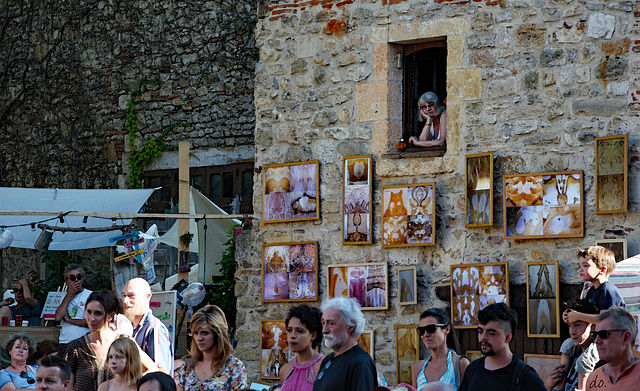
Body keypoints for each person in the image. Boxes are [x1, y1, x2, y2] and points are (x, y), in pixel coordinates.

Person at [63, 290, 157, 391]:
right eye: (89, 312)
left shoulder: (125, 343)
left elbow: (152, 369)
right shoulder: (76, 348)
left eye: (98, 313)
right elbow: (68, 385)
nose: (91, 318)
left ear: (111, 316)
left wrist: (131, 386)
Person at [458, 303, 545, 391]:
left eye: (491, 333)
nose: (483, 337)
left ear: (507, 337)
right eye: (480, 331)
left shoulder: (525, 375)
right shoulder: (472, 369)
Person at [174, 305, 248, 391]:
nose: (199, 338)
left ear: (217, 334)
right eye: (196, 333)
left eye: (205, 333)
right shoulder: (188, 366)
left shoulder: (234, 367)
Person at [312, 297, 377, 391]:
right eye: (323, 323)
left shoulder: (359, 363)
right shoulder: (327, 360)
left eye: (331, 323)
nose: (324, 330)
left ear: (350, 326)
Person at [546, 299, 601, 391]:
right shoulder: (571, 354)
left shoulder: (599, 363)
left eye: (577, 325)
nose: (572, 332)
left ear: (593, 327)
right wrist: (549, 386)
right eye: (570, 326)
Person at [122, 278, 173, 373]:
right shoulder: (128, 327)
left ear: (147, 297)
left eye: (131, 296)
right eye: (124, 295)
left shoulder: (154, 328)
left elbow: (162, 372)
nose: (125, 301)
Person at [564, 247, 625, 326]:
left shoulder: (607, 290)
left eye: (585, 266)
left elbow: (605, 319)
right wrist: (569, 313)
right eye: (580, 266)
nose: (580, 270)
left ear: (602, 270)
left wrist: (578, 316)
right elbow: (587, 313)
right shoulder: (592, 290)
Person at [411, 308, 469, 390]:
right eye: (421, 331)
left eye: (431, 329)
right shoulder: (417, 368)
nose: (425, 335)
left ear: (447, 329)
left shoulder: (459, 364)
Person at [585, 307, 640, 390]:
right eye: (594, 335)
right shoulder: (594, 378)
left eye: (603, 334)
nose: (596, 341)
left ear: (626, 337)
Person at [279, 305, 324, 391]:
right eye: (289, 330)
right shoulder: (285, 370)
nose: (292, 336)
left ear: (313, 335)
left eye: (299, 331)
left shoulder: (323, 367)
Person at [55, 265, 92, 345]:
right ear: (66, 281)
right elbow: (58, 317)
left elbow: (88, 322)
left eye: (79, 277)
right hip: (65, 340)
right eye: (72, 278)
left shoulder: (90, 295)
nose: (76, 280)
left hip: (83, 340)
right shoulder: (64, 297)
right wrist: (69, 295)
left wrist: (69, 320)